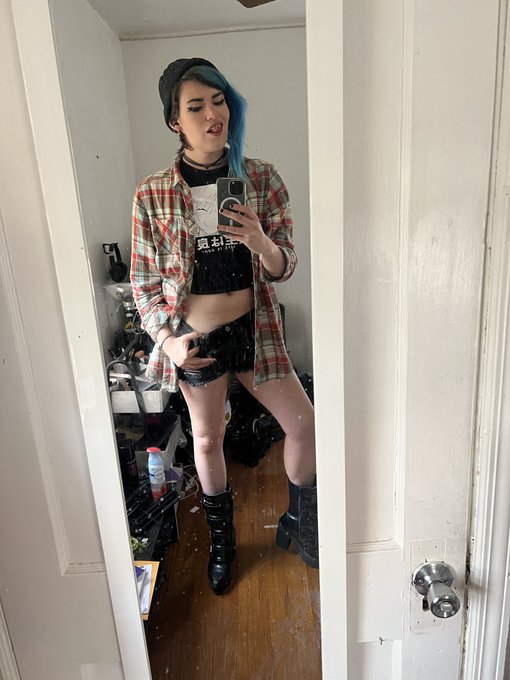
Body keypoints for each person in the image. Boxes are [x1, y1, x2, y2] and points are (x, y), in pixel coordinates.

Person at [130, 57, 318, 595]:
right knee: (208, 441)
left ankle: (299, 519)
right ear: (175, 121)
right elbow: (144, 284)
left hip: (256, 332)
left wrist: (260, 241)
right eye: (196, 107)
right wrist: (167, 343)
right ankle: (223, 542)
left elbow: (285, 266)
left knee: (304, 425)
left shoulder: (261, 177)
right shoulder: (152, 194)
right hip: (197, 342)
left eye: (219, 101)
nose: (213, 114)